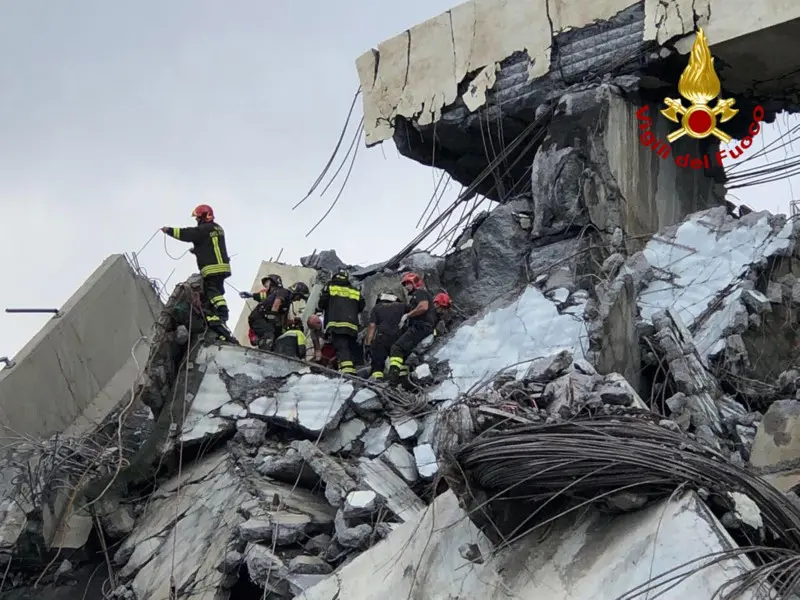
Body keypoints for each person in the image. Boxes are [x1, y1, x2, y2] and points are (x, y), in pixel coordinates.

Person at [161, 204, 235, 341]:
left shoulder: (203, 229)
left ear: (202, 216)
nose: (196, 221)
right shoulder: (217, 228)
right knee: (216, 292)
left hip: (212, 268)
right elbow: (211, 245)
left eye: (197, 218)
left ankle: (221, 313)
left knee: (211, 291)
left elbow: (187, 234)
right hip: (222, 267)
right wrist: (197, 250)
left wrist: (169, 230)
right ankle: (217, 315)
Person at [388, 272, 436, 386]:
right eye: (405, 285)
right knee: (404, 354)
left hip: (421, 326)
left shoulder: (420, 293)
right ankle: (405, 383)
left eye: (408, 283)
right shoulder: (421, 295)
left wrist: (408, 315)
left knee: (397, 348)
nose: (406, 287)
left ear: (415, 282)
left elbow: (423, 307)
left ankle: (392, 381)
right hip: (425, 326)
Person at [316, 269, 365, 375]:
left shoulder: (330, 286)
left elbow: (321, 304)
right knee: (350, 349)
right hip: (352, 325)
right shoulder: (354, 289)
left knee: (342, 350)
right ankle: (352, 372)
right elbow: (362, 305)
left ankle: (347, 375)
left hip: (336, 324)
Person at [364, 290, 406, 380]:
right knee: (398, 361)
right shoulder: (402, 306)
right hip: (398, 338)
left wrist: (368, 344)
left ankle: (377, 379)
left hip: (382, 338)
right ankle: (400, 379)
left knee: (377, 364)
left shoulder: (377, 308)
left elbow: (372, 327)